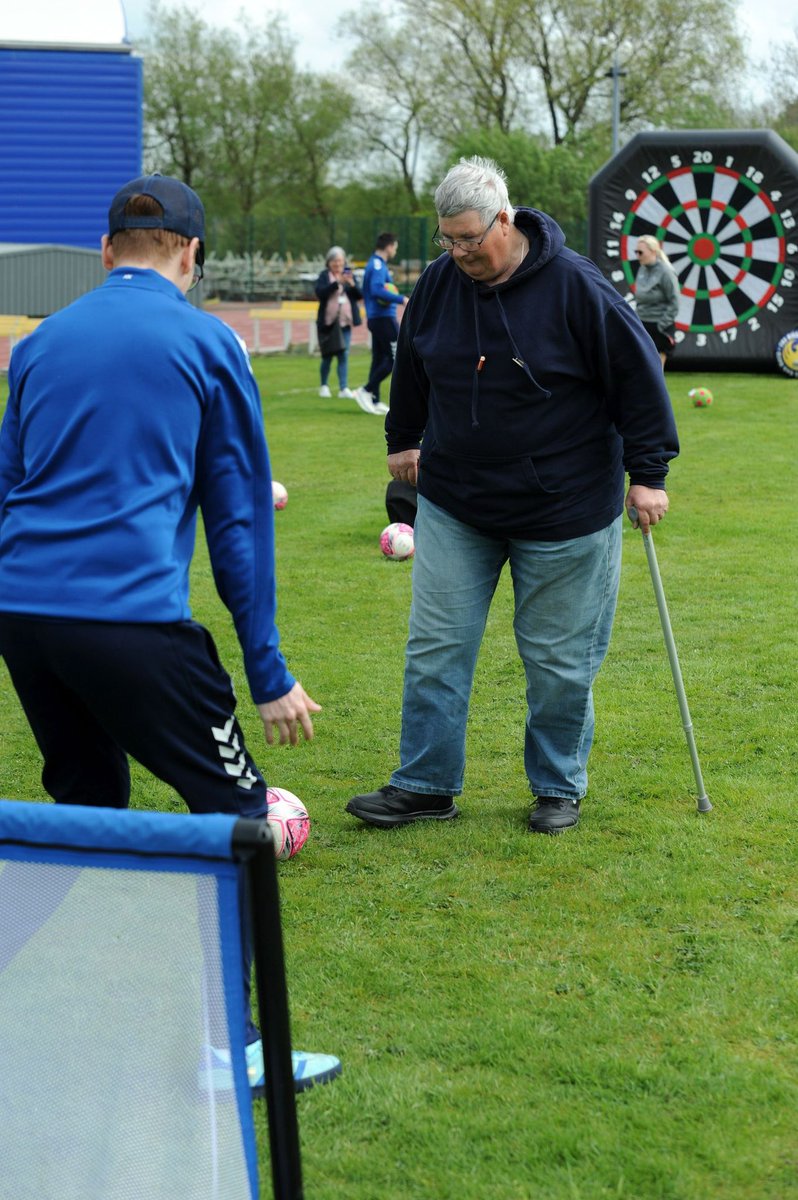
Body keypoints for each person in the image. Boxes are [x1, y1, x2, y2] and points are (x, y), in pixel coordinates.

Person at [0, 173, 341, 1094]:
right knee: (236, 818)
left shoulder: (37, 345)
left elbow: (9, 488)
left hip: (24, 616)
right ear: (193, 255)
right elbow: (237, 524)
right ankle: (238, 1054)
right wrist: (266, 670)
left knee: (83, 809)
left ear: (106, 252)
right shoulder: (206, 341)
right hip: (131, 623)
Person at [346, 156, 678, 835]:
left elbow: (639, 381)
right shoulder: (439, 283)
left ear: (506, 218)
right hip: (457, 500)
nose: (461, 252)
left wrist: (649, 474)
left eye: (472, 238)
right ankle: (425, 785)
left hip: (564, 509)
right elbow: (414, 361)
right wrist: (403, 437)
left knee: (558, 660)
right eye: (449, 239)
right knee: (436, 648)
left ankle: (557, 786)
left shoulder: (576, 288)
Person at [354, 231, 408, 416]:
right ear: (389, 246)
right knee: (396, 357)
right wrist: (401, 299)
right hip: (383, 319)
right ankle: (366, 390)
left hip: (378, 319)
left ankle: (374, 399)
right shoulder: (377, 265)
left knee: (379, 359)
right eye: (395, 247)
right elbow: (377, 290)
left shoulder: (377, 264)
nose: (395, 251)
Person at [314, 245, 362, 399]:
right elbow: (320, 293)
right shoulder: (324, 276)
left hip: (344, 323)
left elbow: (359, 295)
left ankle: (343, 388)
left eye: (340, 261)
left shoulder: (348, 274)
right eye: (334, 261)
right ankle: (324, 386)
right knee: (327, 356)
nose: (338, 264)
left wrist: (351, 283)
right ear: (329, 262)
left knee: (344, 355)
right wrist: (336, 283)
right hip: (328, 322)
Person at [633, 234, 681, 367]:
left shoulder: (666, 271)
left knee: (656, 370)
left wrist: (660, 326)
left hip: (660, 326)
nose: (638, 255)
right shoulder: (642, 268)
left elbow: (675, 301)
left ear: (653, 251)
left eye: (641, 252)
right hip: (642, 323)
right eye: (636, 252)